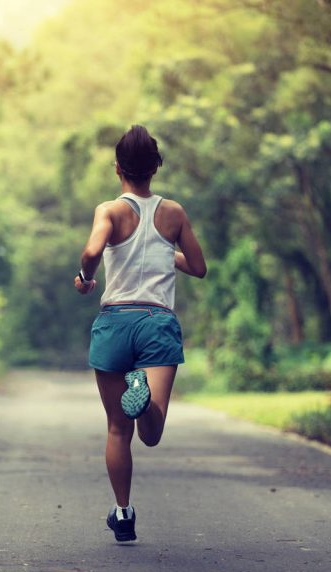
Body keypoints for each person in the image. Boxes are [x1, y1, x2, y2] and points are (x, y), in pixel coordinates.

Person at [74, 125, 207, 543]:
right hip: (156, 322)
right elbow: (199, 267)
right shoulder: (174, 213)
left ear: (118, 168)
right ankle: (144, 400)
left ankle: (123, 513)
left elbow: (92, 251)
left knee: (118, 429)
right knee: (150, 434)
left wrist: (85, 278)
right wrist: (167, 252)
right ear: (156, 167)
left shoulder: (109, 211)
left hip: (115, 322)